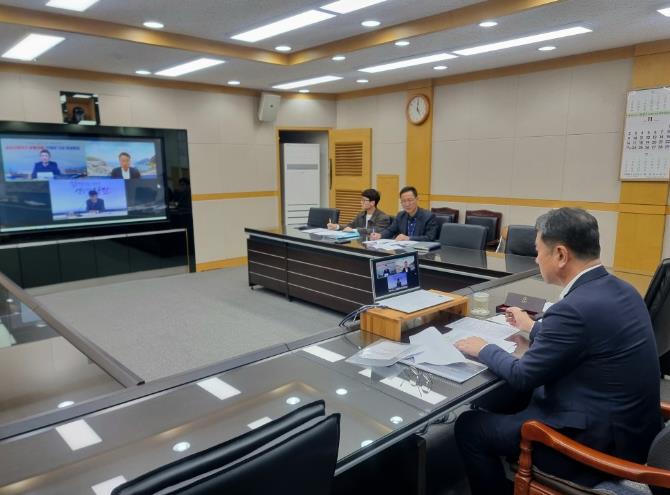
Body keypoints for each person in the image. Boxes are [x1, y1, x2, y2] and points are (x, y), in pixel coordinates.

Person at [453, 208, 661, 494]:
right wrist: (531, 326)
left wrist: (484, 348)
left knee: (469, 426)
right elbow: (585, 338)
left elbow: (523, 375)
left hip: (591, 448)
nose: (536, 258)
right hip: (631, 434)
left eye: (538, 251)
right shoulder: (623, 289)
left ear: (561, 255)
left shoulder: (573, 309)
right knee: (508, 398)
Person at [369, 186, 439, 241]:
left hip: (421, 252)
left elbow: (430, 237)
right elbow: (391, 230)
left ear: (417, 199)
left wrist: (409, 238)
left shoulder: (429, 216)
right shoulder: (400, 215)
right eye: (403, 201)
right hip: (403, 250)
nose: (407, 204)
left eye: (410, 200)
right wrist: (380, 235)